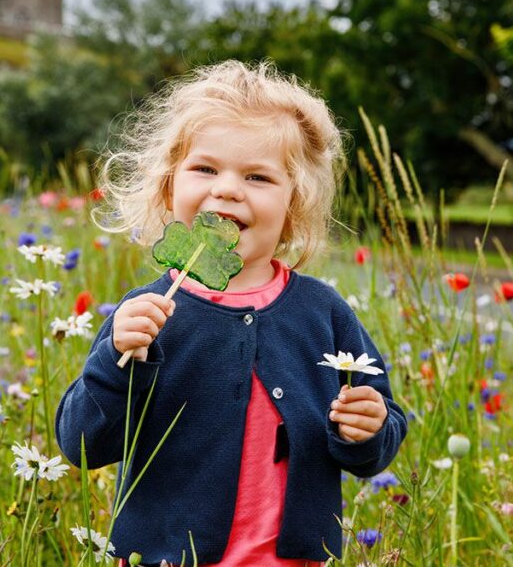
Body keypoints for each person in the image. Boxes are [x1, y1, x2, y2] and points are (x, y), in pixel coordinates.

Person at [56, 61, 408, 566]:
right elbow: (82, 444)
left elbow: (378, 439)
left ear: (295, 207)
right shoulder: (145, 315)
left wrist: (367, 428)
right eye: (205, 169)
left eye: (258, 176)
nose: (227, 189)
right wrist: (116, 360)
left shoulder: (323, 313)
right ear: (167, 188)